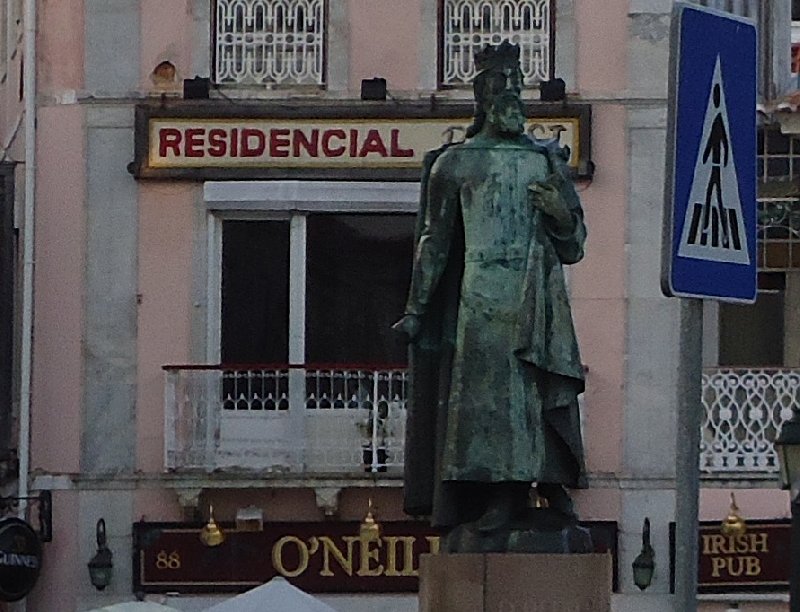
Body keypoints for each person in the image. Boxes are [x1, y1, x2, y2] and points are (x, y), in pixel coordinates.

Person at [393, 41, 588, 550]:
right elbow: (433, 244)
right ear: (480, 97)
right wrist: (415, 311)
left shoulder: (546, 162)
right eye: (498, 87)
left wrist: (560, 213)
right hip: (479, 296)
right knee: (487, 404)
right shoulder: (454, 165)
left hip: (535, 295)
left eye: (515, 86)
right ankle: (499, 492)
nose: (510, 97)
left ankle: (547, 483)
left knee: (537, 392)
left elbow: (574, 247)